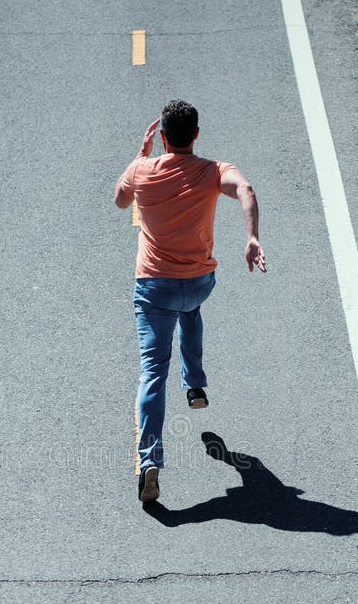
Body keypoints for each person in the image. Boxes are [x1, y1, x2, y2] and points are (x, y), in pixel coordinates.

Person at [114, 99, 266, 503]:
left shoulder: (142, 170)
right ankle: (195, 385)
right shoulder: (214, 171)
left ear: (163, 137)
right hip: (198, 282)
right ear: (196, 134)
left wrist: (140, 156)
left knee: (152, 371)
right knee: (190, 309)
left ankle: (149, 460)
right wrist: (252, 237)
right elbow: (246, 190)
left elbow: (120, 200)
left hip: (155, 288)